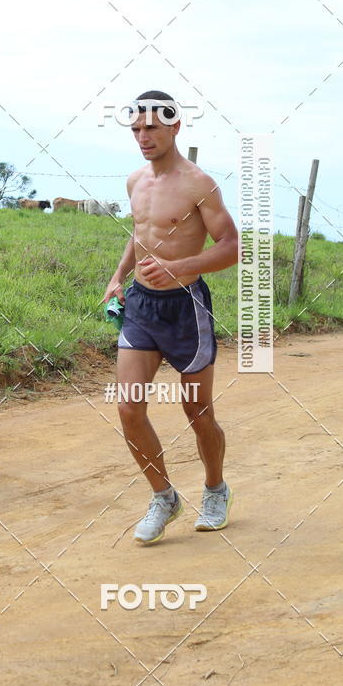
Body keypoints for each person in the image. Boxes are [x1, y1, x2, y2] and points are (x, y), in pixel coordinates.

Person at [104, 91, 239, 545]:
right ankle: (164, 496)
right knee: (128, 407)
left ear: (176, 126)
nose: (143, 137)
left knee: (197, 412)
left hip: (187, 309)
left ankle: (216, 489)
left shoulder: (199, 184)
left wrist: (177, 268)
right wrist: (118, 275)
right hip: (141, 307)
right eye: (136, 129)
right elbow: (140, 235)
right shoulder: (135, 181)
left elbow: (230, 248)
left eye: (152, 129)